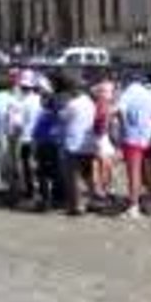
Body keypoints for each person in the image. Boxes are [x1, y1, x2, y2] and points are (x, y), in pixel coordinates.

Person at [117, 74, 151, 219]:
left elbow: (121, 111)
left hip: (132, 137)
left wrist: (122, 130)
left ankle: (133, 206)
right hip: (148, 136)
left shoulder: (127, 93)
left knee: (133, 172)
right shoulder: (149, 94)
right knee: (148, 170)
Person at [60, 76, 95, 216]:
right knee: (88, 175)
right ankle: (91, 200)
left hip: (74, 144)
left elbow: (63, 117)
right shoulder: (91, 103)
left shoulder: (72, 104)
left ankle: (77, 205)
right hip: (89, 143)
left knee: (74, 176)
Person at [18, 72, 43, 202]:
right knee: (38, 165)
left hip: (26, 138)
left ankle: (31, 192)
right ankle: (40, 190)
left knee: (28, 166)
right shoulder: (39, 99)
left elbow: (18, 122)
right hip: (39, 138)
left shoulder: (22, 102)